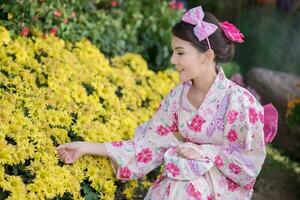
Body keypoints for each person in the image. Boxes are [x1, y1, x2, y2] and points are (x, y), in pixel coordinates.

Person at [56, 5, 278, 200]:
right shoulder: (177, 98)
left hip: (217, 189)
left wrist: (208, 152)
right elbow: (150, 143)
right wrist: (86, 147)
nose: (173, 60)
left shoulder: (239, 102)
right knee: (174, 187)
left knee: (184, 190)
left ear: (207, 56)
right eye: (173, 52)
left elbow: (249, 163)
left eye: (180, 53)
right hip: (177, 183)